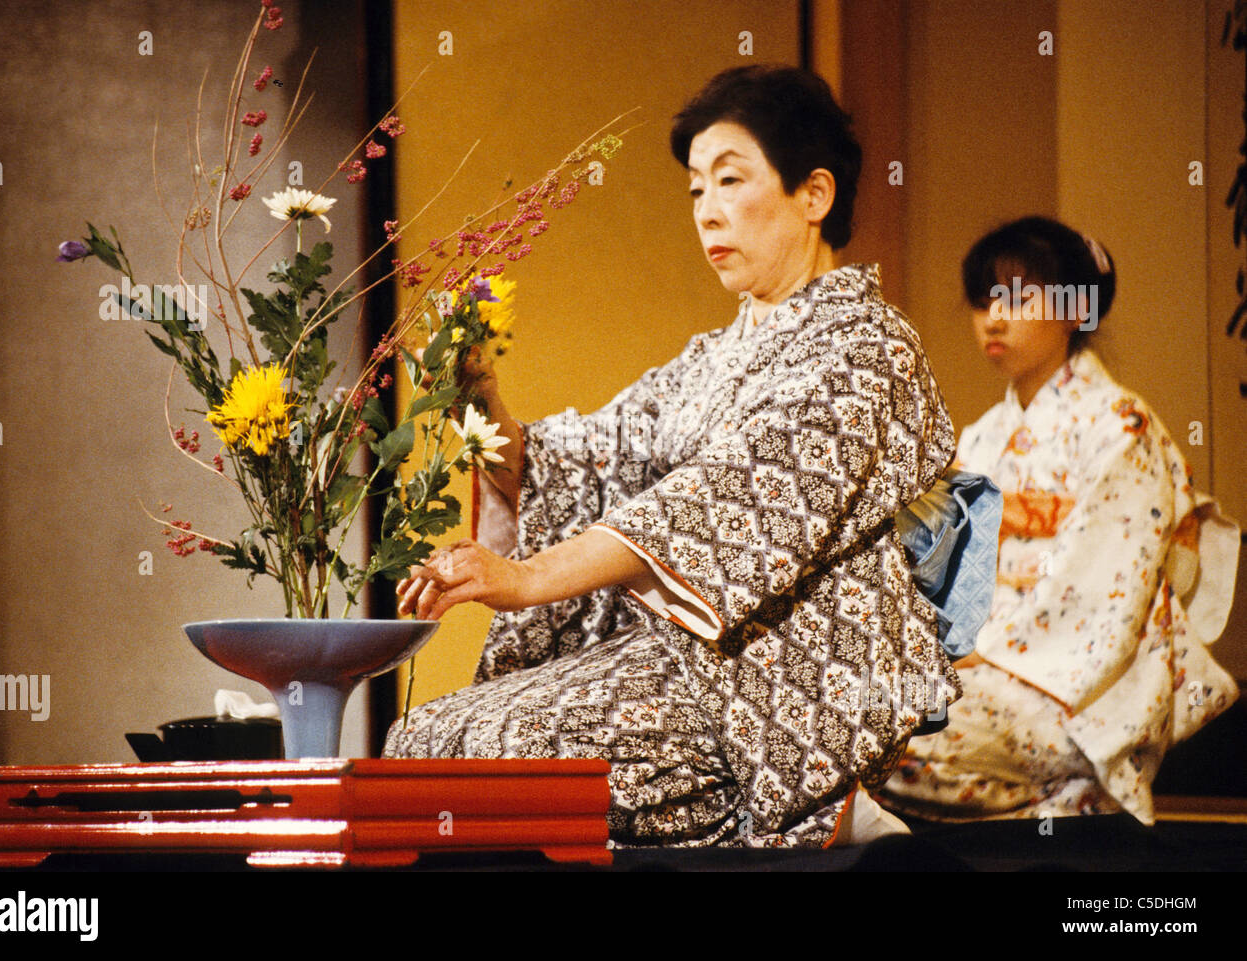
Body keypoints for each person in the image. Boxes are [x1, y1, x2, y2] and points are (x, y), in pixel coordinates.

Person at [383, 65, 967, 848]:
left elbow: (725, 501)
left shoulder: (868, 346)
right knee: (420, 740)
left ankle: (822, 803)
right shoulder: (712, 357)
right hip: (678, 659)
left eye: (731, 179)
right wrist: (483, 401)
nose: (708, 211)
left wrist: (526, 578)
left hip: (783, 680)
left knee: (493, 752)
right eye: (696, 189)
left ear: (815, 195)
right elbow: (587, 461)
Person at [876, 216, 1240, 825]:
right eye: (984, 299)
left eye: (1017, 297)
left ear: (1076, 310)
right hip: (979, 669)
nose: (994, 317)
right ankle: (1059, 805)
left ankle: (1079, 779)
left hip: (1075, 682)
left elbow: (1103, 582)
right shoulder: (981, 438)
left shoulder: (1122, 426)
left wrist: (982, 651)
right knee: (848, 725)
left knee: (883, 740)